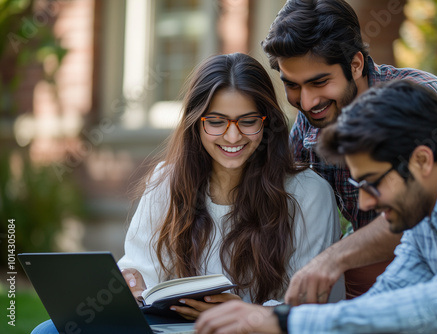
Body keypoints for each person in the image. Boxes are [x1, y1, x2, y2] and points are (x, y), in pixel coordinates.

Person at [30, 52, 344, 333]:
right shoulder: (166, 180)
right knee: (49, 332)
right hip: (172, 328)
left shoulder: (308, 194)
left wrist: (240, 314)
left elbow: (311, 311)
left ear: (267, 122)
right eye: (216, 122)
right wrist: (132, 284)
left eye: (248, 121)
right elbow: (142, 271)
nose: (232, 136)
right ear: (196, 123)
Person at [195, 79, 437, 334]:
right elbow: (381, 304)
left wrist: (285, 321)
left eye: (372, 182)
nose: (365, 204)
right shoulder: (422, 218)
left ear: (421, 160)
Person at [260, 0, 437, 302]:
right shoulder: (310, 121)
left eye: (319, 82)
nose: (308, 102)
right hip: (370, 288)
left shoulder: (429, 100)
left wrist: (333, 258)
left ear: (355, 65)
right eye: (293, 86)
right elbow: (281, 201)